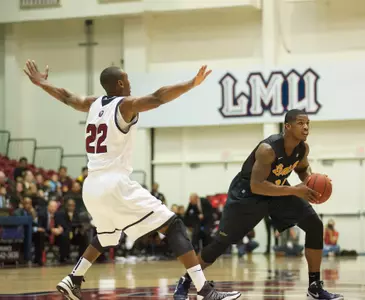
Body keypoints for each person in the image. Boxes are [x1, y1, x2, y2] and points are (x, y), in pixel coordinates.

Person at [23, 60, 240, 300]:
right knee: (173, 225)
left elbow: (65, 96)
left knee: (107, 235)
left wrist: (42, 83)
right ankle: (205, 292)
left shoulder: (92, 104)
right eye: (127, 80)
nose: (130, 84)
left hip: (91, 185)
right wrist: (191, 83)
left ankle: (73, 278)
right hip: (114, 183)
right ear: (119, 83)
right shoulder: (125, 105)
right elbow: (158, 97)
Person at [174, 109, 343, 300]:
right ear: (287, 126)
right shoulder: (268, 149)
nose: (305, 127)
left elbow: (303, 170)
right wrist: (296, 190)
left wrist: (312, 181)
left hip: (278, 190)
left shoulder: (302, 149)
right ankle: (186, 281)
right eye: (300, 123)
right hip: (247, 195)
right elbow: (257, 186)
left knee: (314, 224)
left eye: (307, 123)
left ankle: (314, 287)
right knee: (221, 243)